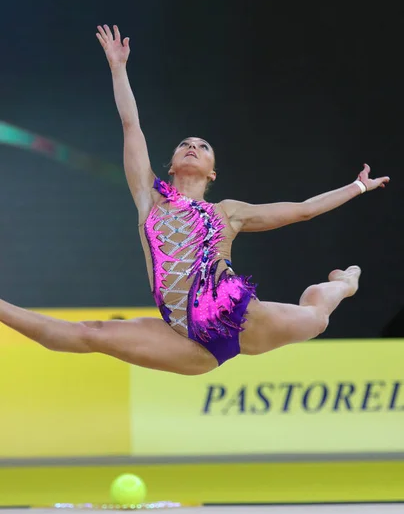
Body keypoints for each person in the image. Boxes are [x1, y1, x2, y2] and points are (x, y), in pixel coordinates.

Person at [0, 25, 390, 376]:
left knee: (316, 317)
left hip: (243, 320)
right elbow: (130, 125)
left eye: (202, 147)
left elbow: (302, 211)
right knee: (91, 335)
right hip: (185, 340)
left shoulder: (227, 213)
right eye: (184, 144)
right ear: (170, 165)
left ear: (212, 172)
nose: (192, 147)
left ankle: (345, 283)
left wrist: (357, 187)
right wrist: (118, 68)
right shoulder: (148, 198)